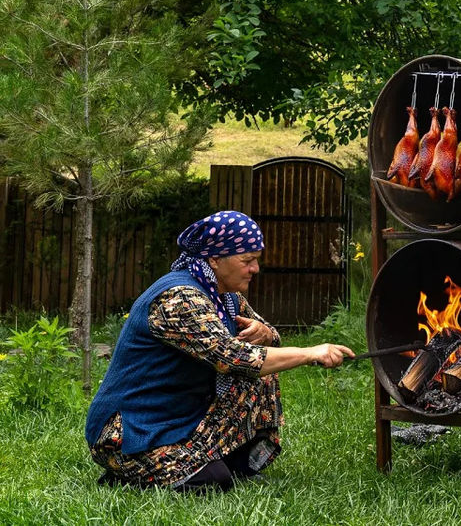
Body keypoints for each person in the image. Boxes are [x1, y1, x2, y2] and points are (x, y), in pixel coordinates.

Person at [85, 210, 355, 491]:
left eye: (256, 261)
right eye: (247, 261)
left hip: (175, 415)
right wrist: (310, 353)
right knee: (211, 481)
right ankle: (129, 470)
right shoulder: (180, 298)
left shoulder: (225, 296)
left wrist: (266, 334)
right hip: (129, 428)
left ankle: (236, 464)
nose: (255, 269)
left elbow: (267, 339)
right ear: (214, 259)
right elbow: (234, 357)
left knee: (260, 380)